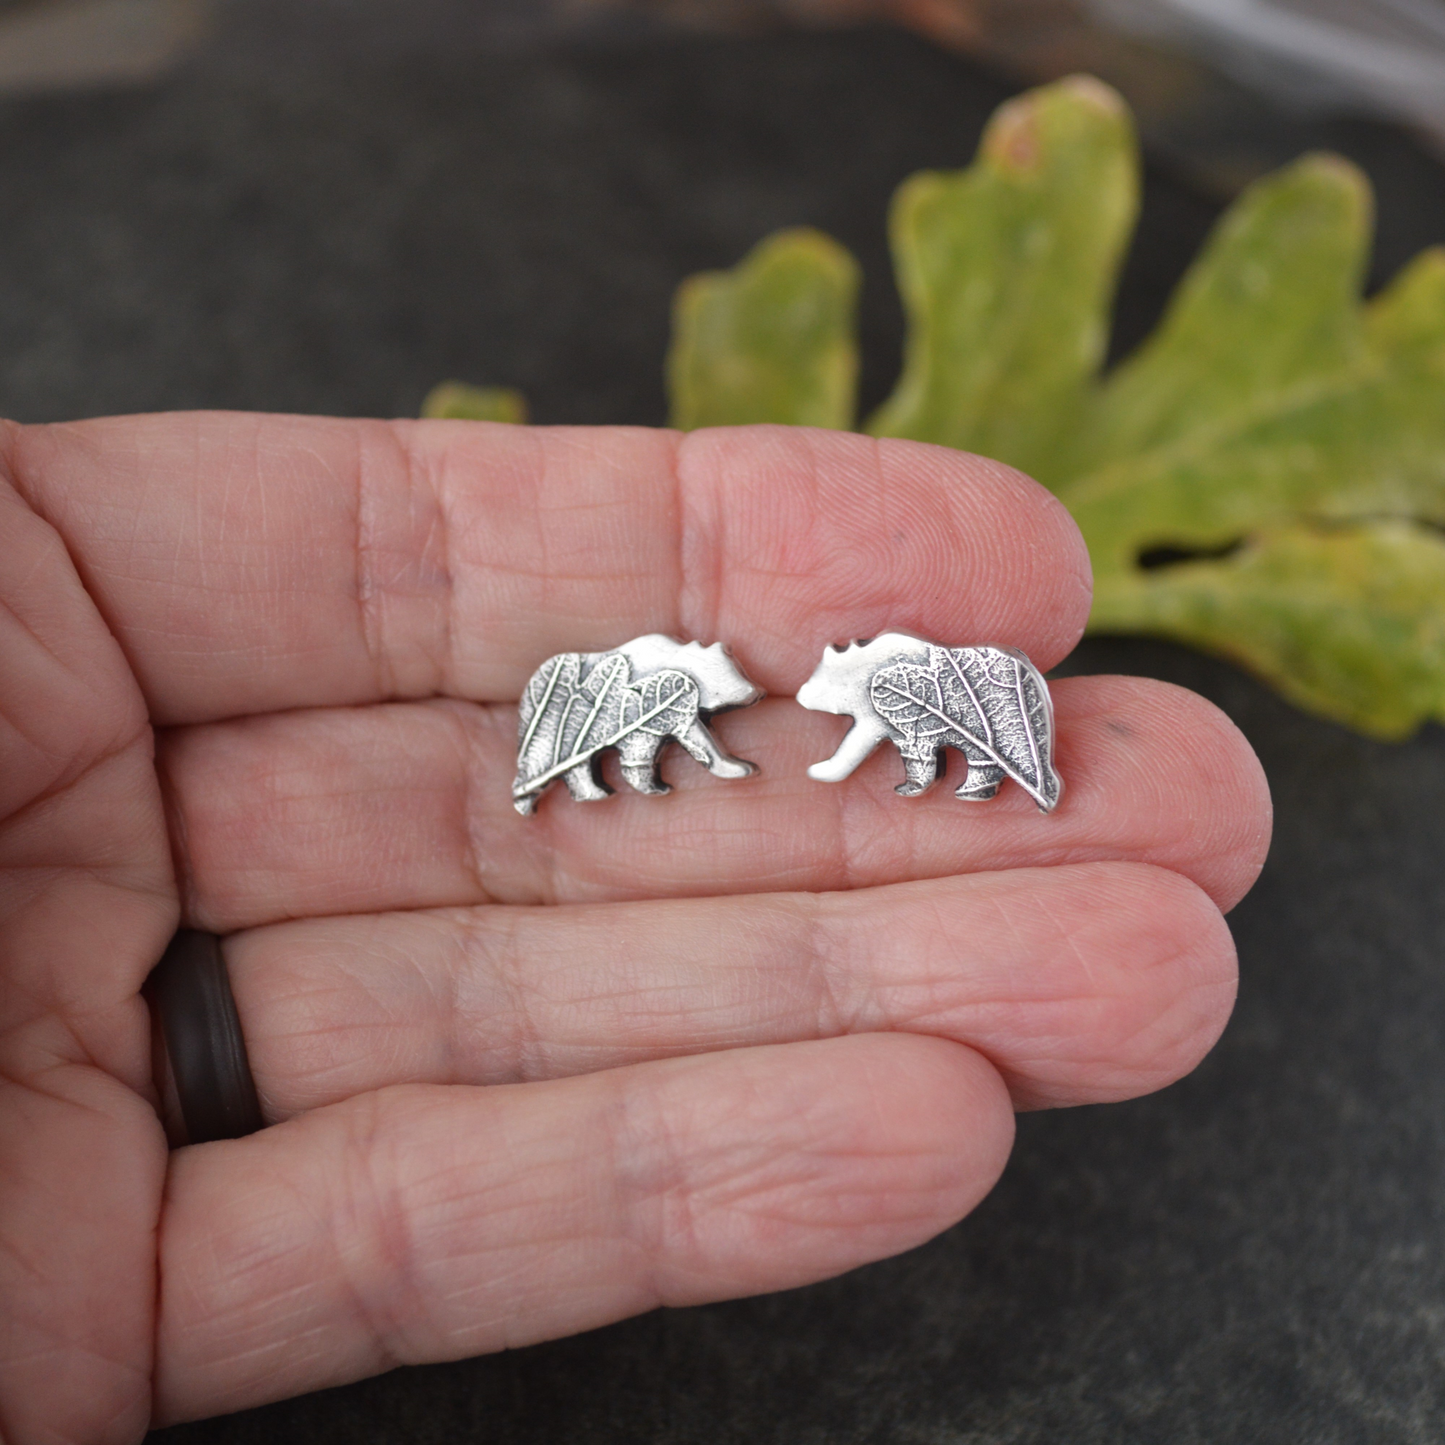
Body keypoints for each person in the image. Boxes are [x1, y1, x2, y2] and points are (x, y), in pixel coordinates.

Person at [0, 413, 1271, 1439]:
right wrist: (678, 764)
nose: (778, 690)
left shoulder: (847, 679)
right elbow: (678, 730)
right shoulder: (667, 684)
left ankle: (1008, 778)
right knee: (615, 757)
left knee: (925, 761)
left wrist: (800, 764)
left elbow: (837, 726)